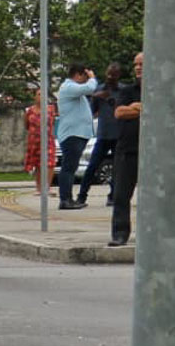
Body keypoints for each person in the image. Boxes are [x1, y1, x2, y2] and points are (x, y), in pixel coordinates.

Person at [109, 52, 143, 247]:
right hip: (127, 149)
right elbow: (120, 112)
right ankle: (120, 234)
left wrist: (138, 107)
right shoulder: (127, 90)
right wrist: (143, 108)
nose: (138, 68)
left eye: (142, 64)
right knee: (121, 195)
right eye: (135, 64)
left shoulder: (161, 88)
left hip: (154, 153)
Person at [77, 61, 122, 208]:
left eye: (113, 75)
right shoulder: (99, 90)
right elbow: (92, 111)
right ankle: (82, 195)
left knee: (117, 168)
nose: (110, 78)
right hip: (103, 134)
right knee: (92, 166)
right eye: (109, 75)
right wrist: (97, 97)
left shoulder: (123, 91)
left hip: (118, 134)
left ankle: (113, 196)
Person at [54, 62, 98, 210]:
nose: (87, 79)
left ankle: (68, 198)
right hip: (72, 134)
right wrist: (92, 78)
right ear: (78, 75)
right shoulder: (69, 87)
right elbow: (90, 88)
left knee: (70, 167)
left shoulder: (74, 90)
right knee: (69, 167)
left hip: (77, 133)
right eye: (85, 76)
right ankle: (65, 199)